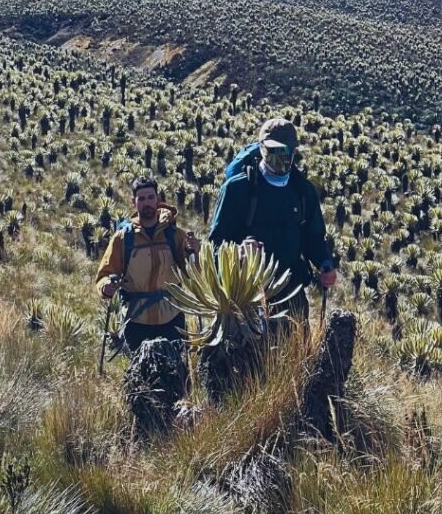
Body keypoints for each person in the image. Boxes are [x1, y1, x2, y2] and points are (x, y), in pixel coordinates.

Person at [208, 116, 337, 323]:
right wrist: (238, 251)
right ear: (261, 149)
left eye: (286, 151)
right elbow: (215, 243)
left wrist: (325, 263)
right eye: (274, 151)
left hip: (291, 292)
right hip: (246, 296)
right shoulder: (237, 189)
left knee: (296, 352)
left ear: (294, 151)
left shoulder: (303, 191)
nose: (281, 157)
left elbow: (314, 238)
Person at [96, 175, 200, 353]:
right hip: (136, 318)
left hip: (172, 315)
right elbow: (105, 274)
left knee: (176, 372)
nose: (147, 203)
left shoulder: (175, 235)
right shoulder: (123, 238)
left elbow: (193, 274)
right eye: (141, 198)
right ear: (133, 202)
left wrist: (196, 253)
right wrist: (106, 287)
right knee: (140, 374)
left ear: (158, 199)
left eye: (151, 197)